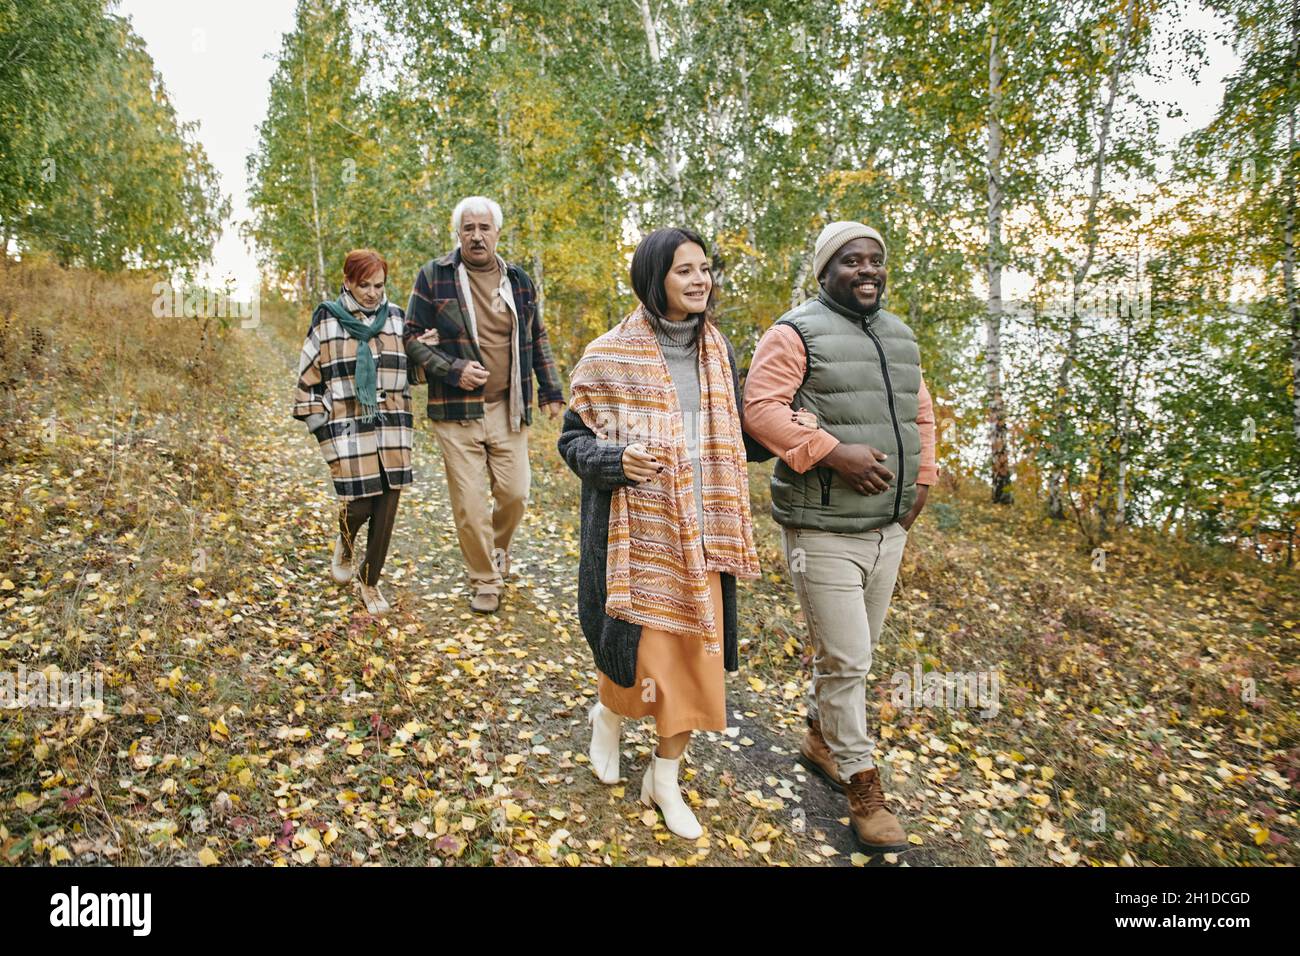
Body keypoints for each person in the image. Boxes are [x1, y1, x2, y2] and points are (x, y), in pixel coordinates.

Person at [558, 227, 765, 841]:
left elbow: (735, 436)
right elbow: (573, 441)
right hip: (637, 536)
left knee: (695, 669)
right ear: (656, 279)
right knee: (636, 658)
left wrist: (798, 426)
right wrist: (615, 461)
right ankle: (609, 715)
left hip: (706, 531)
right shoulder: (609, 355)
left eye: (705, 268)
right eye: (685, 270)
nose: (701, 280)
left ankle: (664, 777)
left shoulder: (719, 352)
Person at [743, 221, 938, 854]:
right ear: (826, 272)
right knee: (850, 660)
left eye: (875, 261)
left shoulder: (901, 336)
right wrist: (833, 453)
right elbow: (761, 409)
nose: (866, 271)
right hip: (820, 529)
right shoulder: (794, 332)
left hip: (888, 528)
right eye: (851, 261)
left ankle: (820, 738)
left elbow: (920, 411)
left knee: (851, 655)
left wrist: (924, 482)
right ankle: (862, 785)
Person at [403, 196, 565, 613]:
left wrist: (550, 392)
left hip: (509, 407)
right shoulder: (433, 276)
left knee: (515, 494)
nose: (476, 236)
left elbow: (537, 336)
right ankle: (485, 580)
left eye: (484, 228)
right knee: (471, 503)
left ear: (497, 232)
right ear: (458, 233)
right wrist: (453, 369)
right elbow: (410, 339)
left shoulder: (520, 281)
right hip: (457, 412)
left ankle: (496, 550)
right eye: (469, 228)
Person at [293, 249, 423, 615]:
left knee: (387, 506)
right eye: (363, 284)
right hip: (347, 426)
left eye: (378, 285)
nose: (372, 293)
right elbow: (308, 376)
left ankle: (369, 581)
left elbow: (412, 372)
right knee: (361, 503)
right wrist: (319, 425)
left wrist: (427, 354)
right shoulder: (327, 320)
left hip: (393, 425)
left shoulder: (397, 318)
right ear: (348, 282)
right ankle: (346, 542)